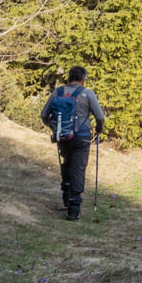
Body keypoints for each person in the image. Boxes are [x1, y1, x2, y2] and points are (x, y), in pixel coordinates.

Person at [42, 66, 107, 220]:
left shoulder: (58, 92)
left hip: (63, 136)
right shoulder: (87, 93)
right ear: (83, 79)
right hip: (81, 137)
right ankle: (74, 208)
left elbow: (44, 114)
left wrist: (55, 128)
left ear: (69, 77)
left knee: (67, 164)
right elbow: (100, 116)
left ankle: (66, 194)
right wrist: (99, 129)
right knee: (78, 168)